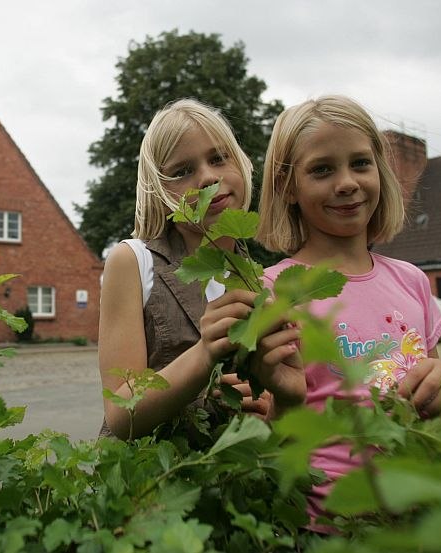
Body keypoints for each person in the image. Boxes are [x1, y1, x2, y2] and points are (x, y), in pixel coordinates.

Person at [254, 94, 441, 528]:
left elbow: (436, 398)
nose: (346, 182)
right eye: (322, 169)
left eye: (360, 163)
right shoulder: (272, 291)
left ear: (379, 171)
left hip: (422, 511)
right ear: (288, 186)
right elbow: (268, 438)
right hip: (330, 522)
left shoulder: (411, 280)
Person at [98, 98, 306, 440]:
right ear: (161, 190)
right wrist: (204, 356)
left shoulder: (264, 281)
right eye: (182, 172)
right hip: (155, 484)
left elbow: (279, 437)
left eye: (219, 158)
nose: (208, 177)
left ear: (241, 163)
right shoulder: (134, 260)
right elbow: (121, 415)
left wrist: (279, 404)